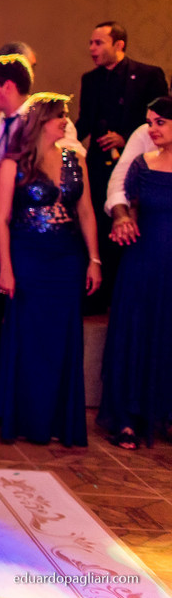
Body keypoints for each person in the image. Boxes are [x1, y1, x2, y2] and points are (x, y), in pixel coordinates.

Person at [0, 54, 81, 409]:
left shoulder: (47, 126)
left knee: (18, 318)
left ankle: (18, 396)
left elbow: (68, 172)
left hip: (28, 237)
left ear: (8, 86)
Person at [0, 93, 100, 447]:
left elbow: (86, 212)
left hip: (67, 258)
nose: (66, 121)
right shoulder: (13, 164)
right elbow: (2, 221)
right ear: (42, 121)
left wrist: (94, 259)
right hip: (29, 257)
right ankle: (26, 418)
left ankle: (58, 419)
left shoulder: (75, 160)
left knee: (62, 338)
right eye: (60, 116)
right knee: (30, 337)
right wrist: (6, 268)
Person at [76, 21, 168, 310]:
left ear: (119, 45)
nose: (92, 49)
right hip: (98, 168)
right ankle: (97, 295)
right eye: (91, 43)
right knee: (100, 225)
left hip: (139, 168)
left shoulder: (148, 75)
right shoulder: (90, 80)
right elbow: (85, 124)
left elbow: (163, 116)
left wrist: (124, 136)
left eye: (98, 43)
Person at [98, 96, 172, 448]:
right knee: (136, 332)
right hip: (142, 261)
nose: (151, 129)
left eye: (160, 122)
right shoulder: (142, 164)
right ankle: (126, 417)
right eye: (150, 122)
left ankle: (165, 415)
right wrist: (122, 219)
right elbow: (119, 196)